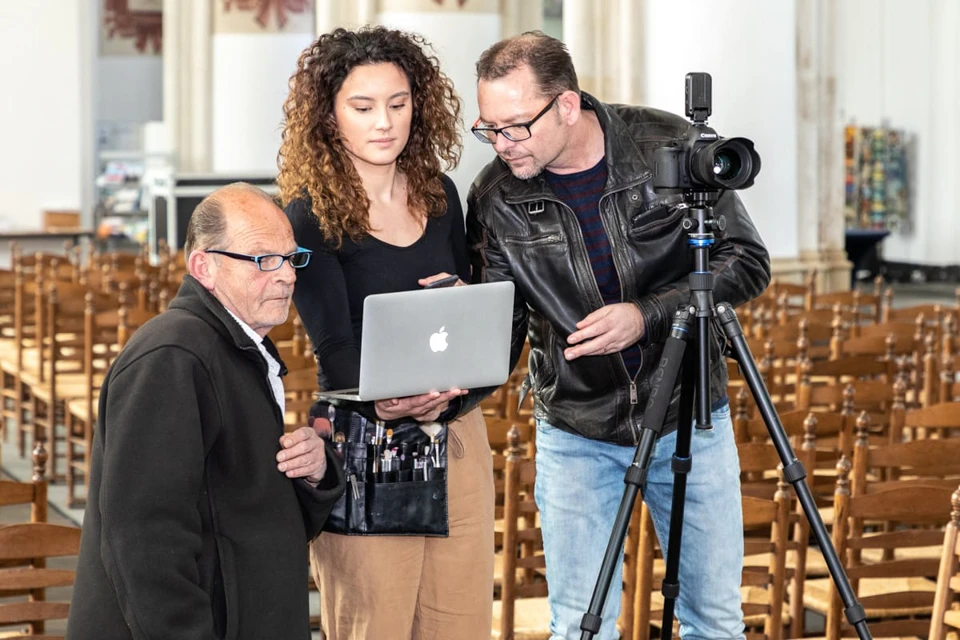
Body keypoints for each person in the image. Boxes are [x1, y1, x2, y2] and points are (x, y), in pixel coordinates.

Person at [465, 32, 771, 639]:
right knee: (582, 627)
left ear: (568, 105)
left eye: (515, 127)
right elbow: (501, 331)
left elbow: (746, 261)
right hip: (575, 427)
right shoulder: (495, 198)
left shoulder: (670, 146)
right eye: (489, 128)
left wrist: (647, 314)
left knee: (715, 622)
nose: (502, 146)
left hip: (689, 414)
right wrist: (447, 343)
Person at [277, 26, 494, 640]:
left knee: (460, 625)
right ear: (329, 115)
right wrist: (387, 399)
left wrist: (456, 393)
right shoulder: (308, 213)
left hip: (456, 432)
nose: (384, 122)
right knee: (378, 625)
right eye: (363, 106)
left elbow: (470, 317)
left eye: (398, 104)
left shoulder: (442, 196)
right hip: (365, 440)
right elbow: (334, 346)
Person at [66, 183, 345, 640]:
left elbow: (246, 508)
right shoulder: (172, 357)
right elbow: (144, 540)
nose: (287, 276)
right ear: (204, 267)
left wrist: (315, 472)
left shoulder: (239, 347)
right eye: (263, 260)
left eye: (291, 258)